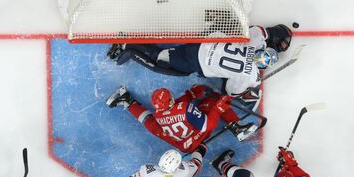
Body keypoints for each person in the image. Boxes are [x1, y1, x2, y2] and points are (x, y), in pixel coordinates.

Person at [106, 24, 293, 107]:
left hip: (203, 42)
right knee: (159, 62)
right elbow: (230, 91)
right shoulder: (251, 76)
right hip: (197, 61)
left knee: (164, 55)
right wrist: (250, 87)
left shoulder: (255, 44)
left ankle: (129, 43)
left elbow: (258, 31)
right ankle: (127, 47)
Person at [106, 84, 258, 153]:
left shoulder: (159, 114)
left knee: (152, 125)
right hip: (199, 135)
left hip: (185, 146)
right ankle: (237, 127)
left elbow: (168, 109)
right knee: (211, 103)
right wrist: (218, 107)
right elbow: (208, 125)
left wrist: (190, 95)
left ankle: (127, 102)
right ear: (171, 100)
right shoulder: (185, 108)